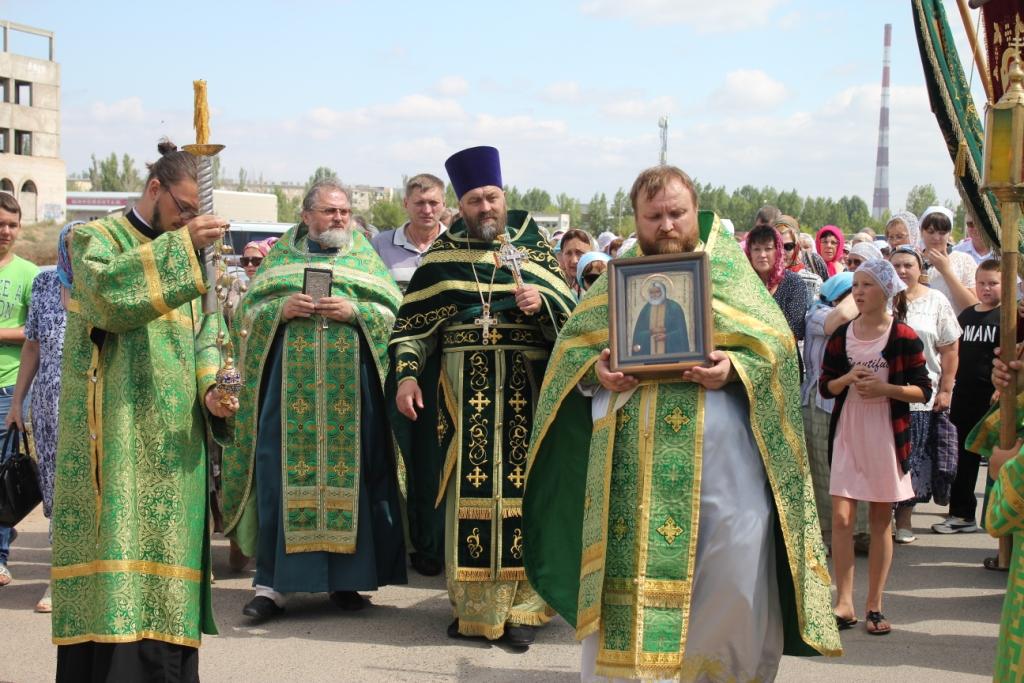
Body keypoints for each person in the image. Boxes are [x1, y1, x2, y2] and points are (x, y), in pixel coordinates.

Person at [524, 165, 841, 681]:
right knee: (625, 581)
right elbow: (572, 354)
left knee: (729, 574)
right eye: (654, 216)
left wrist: (734, 368)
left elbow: (779, 353)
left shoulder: (730, 274)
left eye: (677, 213)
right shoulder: (617, 279)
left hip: (724, 473)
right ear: (636, 219)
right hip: (628, 474)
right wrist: (596, 370)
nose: (667, 226)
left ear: (696, 211)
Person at [51, 140, 237, 682]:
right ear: (155, 189)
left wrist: (211, 390)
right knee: (116, 586)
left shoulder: (195, 258)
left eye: (196, 213)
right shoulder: (94, 240)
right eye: (183, 208)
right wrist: (183, 249)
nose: (188, 221)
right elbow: (110, 297)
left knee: (168, 600)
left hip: (176, 446)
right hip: (116, 443)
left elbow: (212, 332)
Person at [388, 146, 575, 647]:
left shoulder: (534, 254)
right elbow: (411, 330)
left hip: (525, 396)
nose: (485, 207)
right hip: (460, 398)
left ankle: (521, 612)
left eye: (491, 197)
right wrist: (407, 377)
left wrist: (541, 307)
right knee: (467, 495)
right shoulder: (442, 259)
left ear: (504, 196)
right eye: (474, 200)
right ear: (461, 205)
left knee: (522, 496)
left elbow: (575, 327)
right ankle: (472, 610)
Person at [220, 181, 407, 621]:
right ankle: (273, 586)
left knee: (357, 478)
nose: (339, 219)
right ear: (306, 216)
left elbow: (395, 315)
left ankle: (347, 580)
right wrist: (278, 311)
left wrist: (358, 313)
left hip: (351, 396)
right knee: (277, 477)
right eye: (329, 211)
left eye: (343, 212)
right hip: (288, 397)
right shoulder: (282, 259)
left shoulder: (364, 258)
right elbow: (246, 316)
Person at [820, 259, 931, 636]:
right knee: (842, 519)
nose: (860, 292)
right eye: (857, 285)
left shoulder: (903, 335)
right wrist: (848, 378)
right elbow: (826, 386)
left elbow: (922, 390)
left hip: (886, 432)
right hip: (849, 430)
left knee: (881, 521)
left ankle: (875, 604)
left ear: (886, 291)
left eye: (867, 285)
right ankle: (844, 601)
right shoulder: (842, 335)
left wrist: (886, 389)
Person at [4, 221, 79, 611]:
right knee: (54, 492)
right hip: (48, 406)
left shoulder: (101, 289)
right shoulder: (46, 285)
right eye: (70, 244)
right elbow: (31, 347)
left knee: (82, 490)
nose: (77, 252)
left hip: (90, 406)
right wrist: (18, 402)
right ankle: (59, 577)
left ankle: (76, 579)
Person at [888, 246, 961, 544]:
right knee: (885, 459)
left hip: (920, 396)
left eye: (908, 265)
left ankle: (904, 520)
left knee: (911, 460)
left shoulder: (936, 301)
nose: (903, 271)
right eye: (896, 266)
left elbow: (950, 348)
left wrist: (946, 388)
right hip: (882, 394)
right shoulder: (882, 298)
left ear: (920, 269)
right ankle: (879, 519)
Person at [934, 259, 1006, 535]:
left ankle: (998, 518)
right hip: (964, 396)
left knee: (998, 461)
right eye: (982, 283)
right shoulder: (966, 316)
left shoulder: (1010, 318)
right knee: (963, 459)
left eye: (993, 283)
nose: (986, 288)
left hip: (994, 400)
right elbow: (953, 354)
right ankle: (962, 514)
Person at [0, 193, 39, 588]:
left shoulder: (29, 274)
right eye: (0, 224)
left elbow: (33, 334)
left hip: (8, 385)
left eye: (12, 225)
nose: (5, 232)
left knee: (1, 472)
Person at [803, 273, 854, 549]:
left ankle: (859, 532)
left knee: (855, 469)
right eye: (853, 291)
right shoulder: (817, 313)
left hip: (856, 405)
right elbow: (839, 320)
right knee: (824, 471)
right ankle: (827, 533)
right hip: (822, 404)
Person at [371, 173, 447, 291]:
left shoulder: (459, 245)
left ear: (444, 205)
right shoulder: (380, 245)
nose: (427, 210)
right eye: (419, 203)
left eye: (433, 203)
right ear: (406, 204)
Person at [745, 223, 807, 343]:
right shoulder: (743, 283)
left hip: (784, 356)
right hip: (748, 356)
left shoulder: (793, 283)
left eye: (768, 249)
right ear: (749, 252)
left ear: (777, 251)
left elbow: (794, 331)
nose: (762, 255)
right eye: (756, 249)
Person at [919, 206, 978, 313]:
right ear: (921, 231)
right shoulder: (913, 262)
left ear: (949, 233)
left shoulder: (963, 260)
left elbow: (973, 306)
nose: (936, 238)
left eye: (942, 233)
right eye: (931, 232)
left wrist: (946, 271)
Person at [630, 278, 688, 355]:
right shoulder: (646, 309)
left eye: (657, 292)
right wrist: (651, 332)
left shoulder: (674, 307)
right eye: (651, 292)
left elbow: (681, 333)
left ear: (663, 292)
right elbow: (638, 334)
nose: (654, 295)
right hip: (649, 354)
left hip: (670, 354)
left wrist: (666, 337)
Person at [777, 216, 823, 303]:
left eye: (788, 246)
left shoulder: (813, 281)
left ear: (797, 247)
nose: (782, 252)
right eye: (777, 246)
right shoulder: (763, 280)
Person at [557, 228, 593, 296]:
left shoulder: (598, 285)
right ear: (562, 256)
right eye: (568, 253)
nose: (574, 261)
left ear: (589, 254)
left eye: (579, 253)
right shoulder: (555, 289)